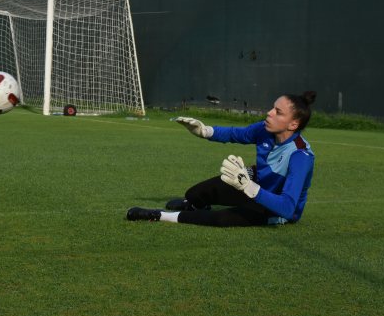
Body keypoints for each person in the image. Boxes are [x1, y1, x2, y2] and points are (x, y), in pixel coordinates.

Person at [127, 91, 317, 227]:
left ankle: (158, 216)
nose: (269, 113)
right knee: (195, 194)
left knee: (221, 219)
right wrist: (204, 131)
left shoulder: (301, 156)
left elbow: (287, 206)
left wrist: (249, 188)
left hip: (275, 210)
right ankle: (193, 206)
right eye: (273, 108)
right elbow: (235, 134)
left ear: (293, 124)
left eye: (278, 112)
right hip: (254, 184)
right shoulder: (264, 129)